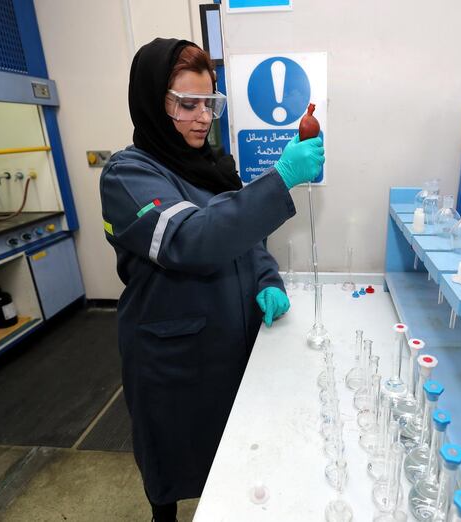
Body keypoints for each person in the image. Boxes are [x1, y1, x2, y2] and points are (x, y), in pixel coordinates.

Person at [99, 38, 324, 521]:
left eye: (210, 103)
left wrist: (268, 279)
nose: (203, 117)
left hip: (230, 340)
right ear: (153, 103)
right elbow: (192, 240)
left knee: (235, 458)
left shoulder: (211, 165)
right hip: (171, 356)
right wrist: (282, 177)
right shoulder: (128, 175)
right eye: (187, 104)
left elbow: (247, 236)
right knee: (171, 465)